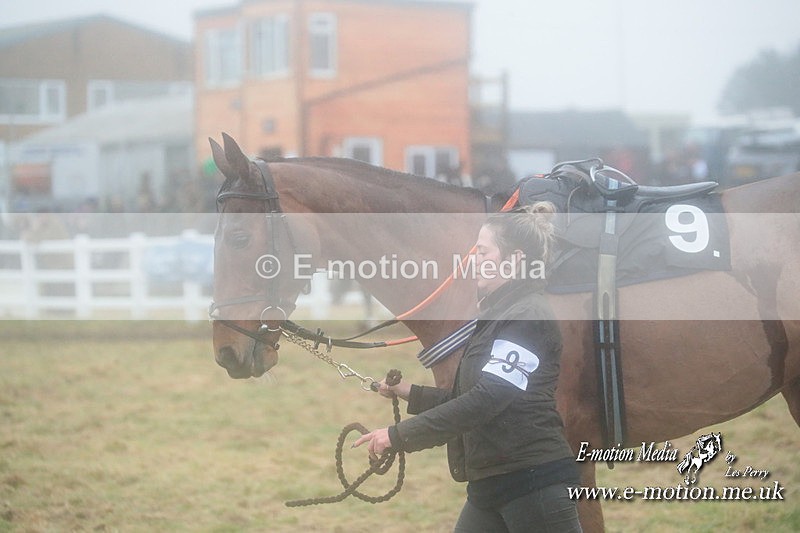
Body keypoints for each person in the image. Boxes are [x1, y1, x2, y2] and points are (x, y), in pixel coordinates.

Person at [354, 202, 582, 532]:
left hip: (534, 486)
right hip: (489, 488)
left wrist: (397, 436)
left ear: (515, 260)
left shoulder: (527, 317)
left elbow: (487, 401)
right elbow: (471, 397)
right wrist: (408, 393)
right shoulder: (496, 317)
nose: (473, 261)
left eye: (483, 253)